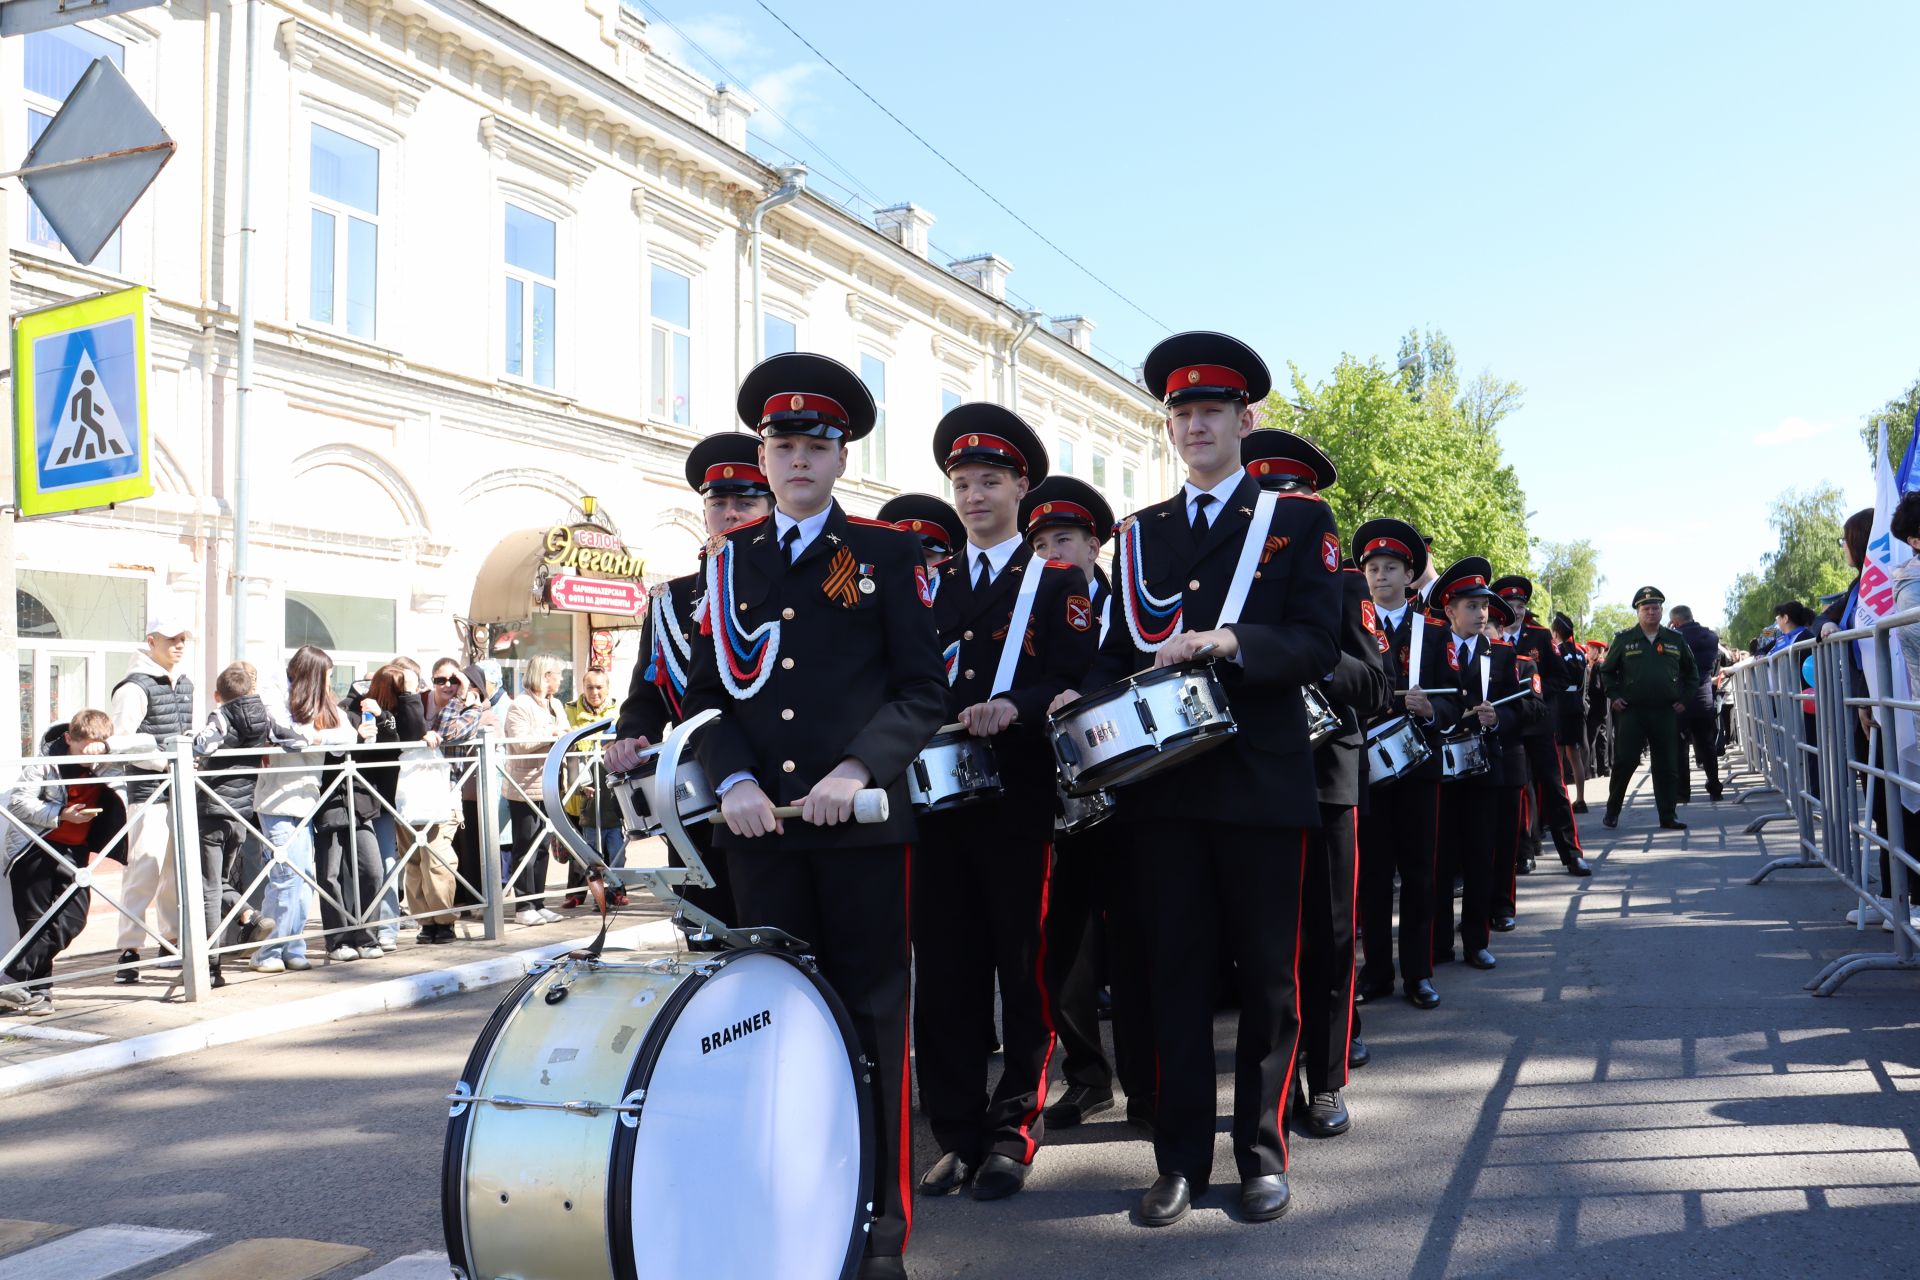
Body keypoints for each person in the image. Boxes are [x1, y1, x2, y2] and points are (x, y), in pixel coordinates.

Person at [1050, 331, 1341, 1228]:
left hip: (1259, 781)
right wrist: (1081, 691)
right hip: (1163, 796)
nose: (1197, 425)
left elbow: (1318, 644)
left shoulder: (1295, 524)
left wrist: (1231, 643)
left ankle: (1259, 1152)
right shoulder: (1140, 537)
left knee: (1266, 983)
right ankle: (1177, 1158)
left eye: (1212, 409)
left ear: (1246, 420)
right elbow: (1116, 653)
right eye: (1182, 412)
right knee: (1167, 979)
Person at [682, 352, 945, 1280]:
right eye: (783, 444)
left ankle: (882, 1226)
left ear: (842, 460)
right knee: (771, 1026)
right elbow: (710, 698)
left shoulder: (886, 553)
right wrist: (734, 781)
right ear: (764, 457)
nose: (797, 460)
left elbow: (923, 689)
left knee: (874, 1023)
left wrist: (856, 766)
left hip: (864, 828)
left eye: (815, 445)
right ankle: (787, 1211)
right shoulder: (729, 562)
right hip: (761, 835)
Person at [910, 403, 1093, 1203]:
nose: (974, 495)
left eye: (989, 480)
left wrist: (1016, 705)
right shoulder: (928, 587)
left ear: (1022, 485)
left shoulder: (1057, 584)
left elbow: (1077, 676)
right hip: (938, 806)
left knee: (1023, 969)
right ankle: (953, 1132)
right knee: (945, 975)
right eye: (962, 482)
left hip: (1018, 801)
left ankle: (1015, 1126)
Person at [1244, 430, 1391, 1139]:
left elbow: (1377, 683)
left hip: (1327, 774)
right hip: (1249, 773)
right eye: (1264, 491)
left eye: (1289, 493)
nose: (1276, 506)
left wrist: (1309, 659)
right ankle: (1269, 1081)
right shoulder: (1229, 579)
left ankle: (1326, 1080)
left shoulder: (1346, 582)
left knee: (1330, 937)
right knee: (1264, 942)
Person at [1022, 476, 1155, 1132]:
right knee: (1065, 944)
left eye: (1065, 538)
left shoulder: (1131, 602)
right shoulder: (1023, 607)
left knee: (1135, 937)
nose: (1053, 551)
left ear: (1094, 544)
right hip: (1056, 797)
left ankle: (1145, 1078)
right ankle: (1087, 1078)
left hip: (1132, 791)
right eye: (1040, 541)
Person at [606, 430, 773, 937]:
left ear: (770, 504)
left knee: (774, 934)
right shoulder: (670, 599)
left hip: (775, 788)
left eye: (746, 502)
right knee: (708, 933)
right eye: (719, 502)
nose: (730, 513)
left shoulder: (786, 583)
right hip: (698, 797)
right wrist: (630, 734)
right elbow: (647, 693)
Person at [1352, 517, 1456, 1011]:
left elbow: (1460, 699)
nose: (1380, 576)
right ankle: (1376, 972)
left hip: (1418, 768)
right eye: (1372, 568)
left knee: (1419, 872)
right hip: (1366, 767)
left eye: (1390, 567)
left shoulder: (1434, 633)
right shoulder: (1351, 627)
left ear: (1410, 574)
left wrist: (1432, 709)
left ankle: (1418, 973)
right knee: (1372, 875)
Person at [1429, 557, 1527, 973]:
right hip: (1440, 767)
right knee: (1439, 856)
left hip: (1486, 767)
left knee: (1480, 855)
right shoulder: (1429, 648)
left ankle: (1476, 941)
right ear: (1450, 611)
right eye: (1471, 605)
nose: (1481, 612)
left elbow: (1531, 711)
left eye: (1484, 605)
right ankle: (1436, 944)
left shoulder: (1503, 654)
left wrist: (1499, 718)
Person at [0, 710, 125, 1014]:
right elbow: (18, 803)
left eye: (97, 747)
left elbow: (148, 749)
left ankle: (11, 980)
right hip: (34, 849)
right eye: (84, 749)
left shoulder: (104, 761)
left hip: (75, 852)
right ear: (69, 739)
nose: (88, 757)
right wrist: (61, 814)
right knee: (36, 923)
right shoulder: (45, 763)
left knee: (72, 920)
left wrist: (106, 749)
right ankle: (40, 996)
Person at [251, 645, 360, 973]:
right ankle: (267, 952)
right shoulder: (278, 695)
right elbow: (284, 732)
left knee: (303, 877)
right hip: (276, 801)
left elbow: (349, 737)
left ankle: (291, 946)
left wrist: (317, 739)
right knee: (286, 877)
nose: (330, 685)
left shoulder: (323, 705)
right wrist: (317, 737)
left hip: (307, 801)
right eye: (325, 677)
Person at [191, 662, 298, 985]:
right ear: (251, 690)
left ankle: (210, 967)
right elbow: (296, 741)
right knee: (219, 880)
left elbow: (202, 745)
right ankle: (249, 915)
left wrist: (189, 741)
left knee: (208, 888)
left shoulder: (221, 716)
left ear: (217, 695)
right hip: (242, 813)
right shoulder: (265, 716)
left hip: (212, 808)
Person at [108, 614, 196, 984]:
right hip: (147, 791)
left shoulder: (186, 683)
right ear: (151, 640)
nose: (178, 644)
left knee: (176, 872)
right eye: (171, 638)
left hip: (180, 788)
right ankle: (128, 951)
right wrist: (166, 761)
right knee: (144, 867)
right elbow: (123, 742)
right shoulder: (132, 688)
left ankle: (170, 942)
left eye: (183, 639)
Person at [1490, 576, 1589, 876]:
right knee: (1517, 789)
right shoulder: (1489, 634)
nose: (1517, 611)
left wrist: (1536, 691)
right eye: (1510, 605)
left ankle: (1571, 853)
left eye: (1521, 605)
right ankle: (1524, 852)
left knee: (1554, 786)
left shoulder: (1540, 635)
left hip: (1539, 722)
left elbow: (1562, 676)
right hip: (1508, 727)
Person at [1598, 586, 1698, 831]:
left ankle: (1668, 815)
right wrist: (1615, 696)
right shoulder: (1624, 640)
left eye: (1655, 608)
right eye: (1646, 609)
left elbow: (1692, 674)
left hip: (1665, 711)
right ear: (1638, 612)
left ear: (1662, 611)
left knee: (1667, 765)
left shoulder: (1676, 640)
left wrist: (1684, 699)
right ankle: (1612, 811)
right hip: (1633, 711)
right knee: (1625, 762)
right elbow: (1606, 671)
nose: (1651, 612)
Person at [1484, 593, 1550, 932]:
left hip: (1508, 756)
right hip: (1469, 762)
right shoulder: (1457, 658)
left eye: (1490, 629)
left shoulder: (1522, 663)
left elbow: (1537, 708)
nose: (1485, 636)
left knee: (1506, 839)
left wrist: (1502, 714)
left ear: (1500, 631)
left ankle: (1502, 907)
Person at [503, 654, 569, 925]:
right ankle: (523, 905)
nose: (561, 678)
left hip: (550, 785)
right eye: (558, 673)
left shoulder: (555, 704)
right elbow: (519, 743)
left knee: (542, 845)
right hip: (524, 788)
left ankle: (539, 902)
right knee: (525, 846)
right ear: (545, 676)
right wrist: (552, 734)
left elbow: (565, 730)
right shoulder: (519, 705)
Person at [561, 667, 624, 909]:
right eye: (590, 687)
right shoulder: (570, 711)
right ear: (582, 688)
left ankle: (614, 892)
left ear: (607, 688)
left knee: (613, 845)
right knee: (580, 848)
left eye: (599, 687)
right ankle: (576, 893)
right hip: (578, 790)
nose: (594, 692)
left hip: (609, 791)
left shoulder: (618, 712)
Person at [1667, 605, 1723, 803]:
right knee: (1707, 745)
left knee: (1680, 747)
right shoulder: (1711, 636)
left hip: (1680, 698)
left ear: (1675, 622)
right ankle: (1715, 787)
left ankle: (1683, 792)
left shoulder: (1672, 638)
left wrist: (1669, 631)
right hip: (1704, 697)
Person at [1550, 615, 1593, 813]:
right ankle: (1581, 799)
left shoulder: (1556, 651)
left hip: (1560, 703)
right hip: (1576, 701)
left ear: (1556, 632)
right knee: (1574, 754)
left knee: (1557, 755)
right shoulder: (1578, 653)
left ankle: (1562, 801)